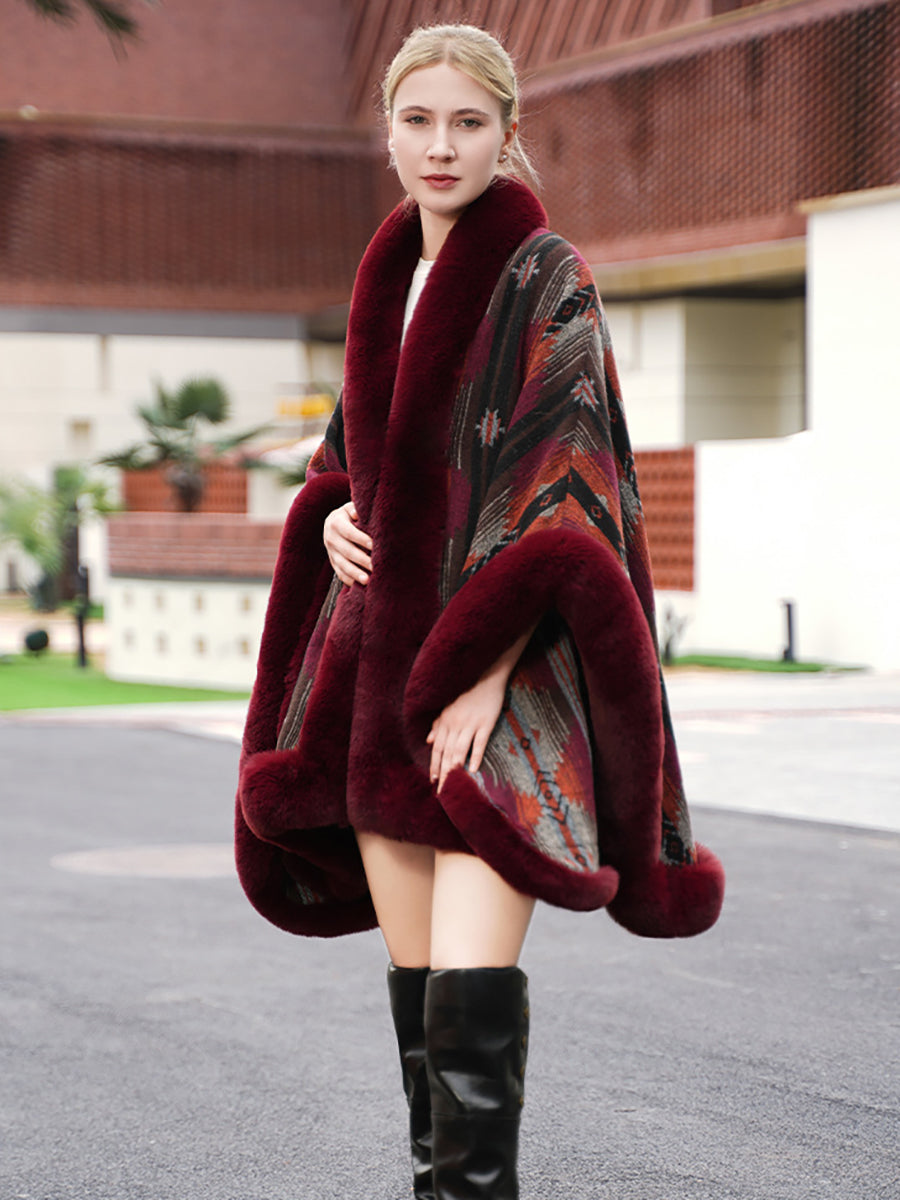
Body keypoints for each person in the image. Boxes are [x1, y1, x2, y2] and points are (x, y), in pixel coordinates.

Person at [235, 22, 725, 1200]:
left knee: (471, 1007)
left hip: (501, 694)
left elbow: (569, 492)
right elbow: (350, 460)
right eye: (418, 121)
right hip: (377, 694)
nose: (441, 145)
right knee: (426, 1038)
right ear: (388, 135)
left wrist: (484, 675)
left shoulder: (549, 277)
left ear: (508, 133)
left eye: (468, 122)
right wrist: (329, 514)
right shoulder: (385, 278)